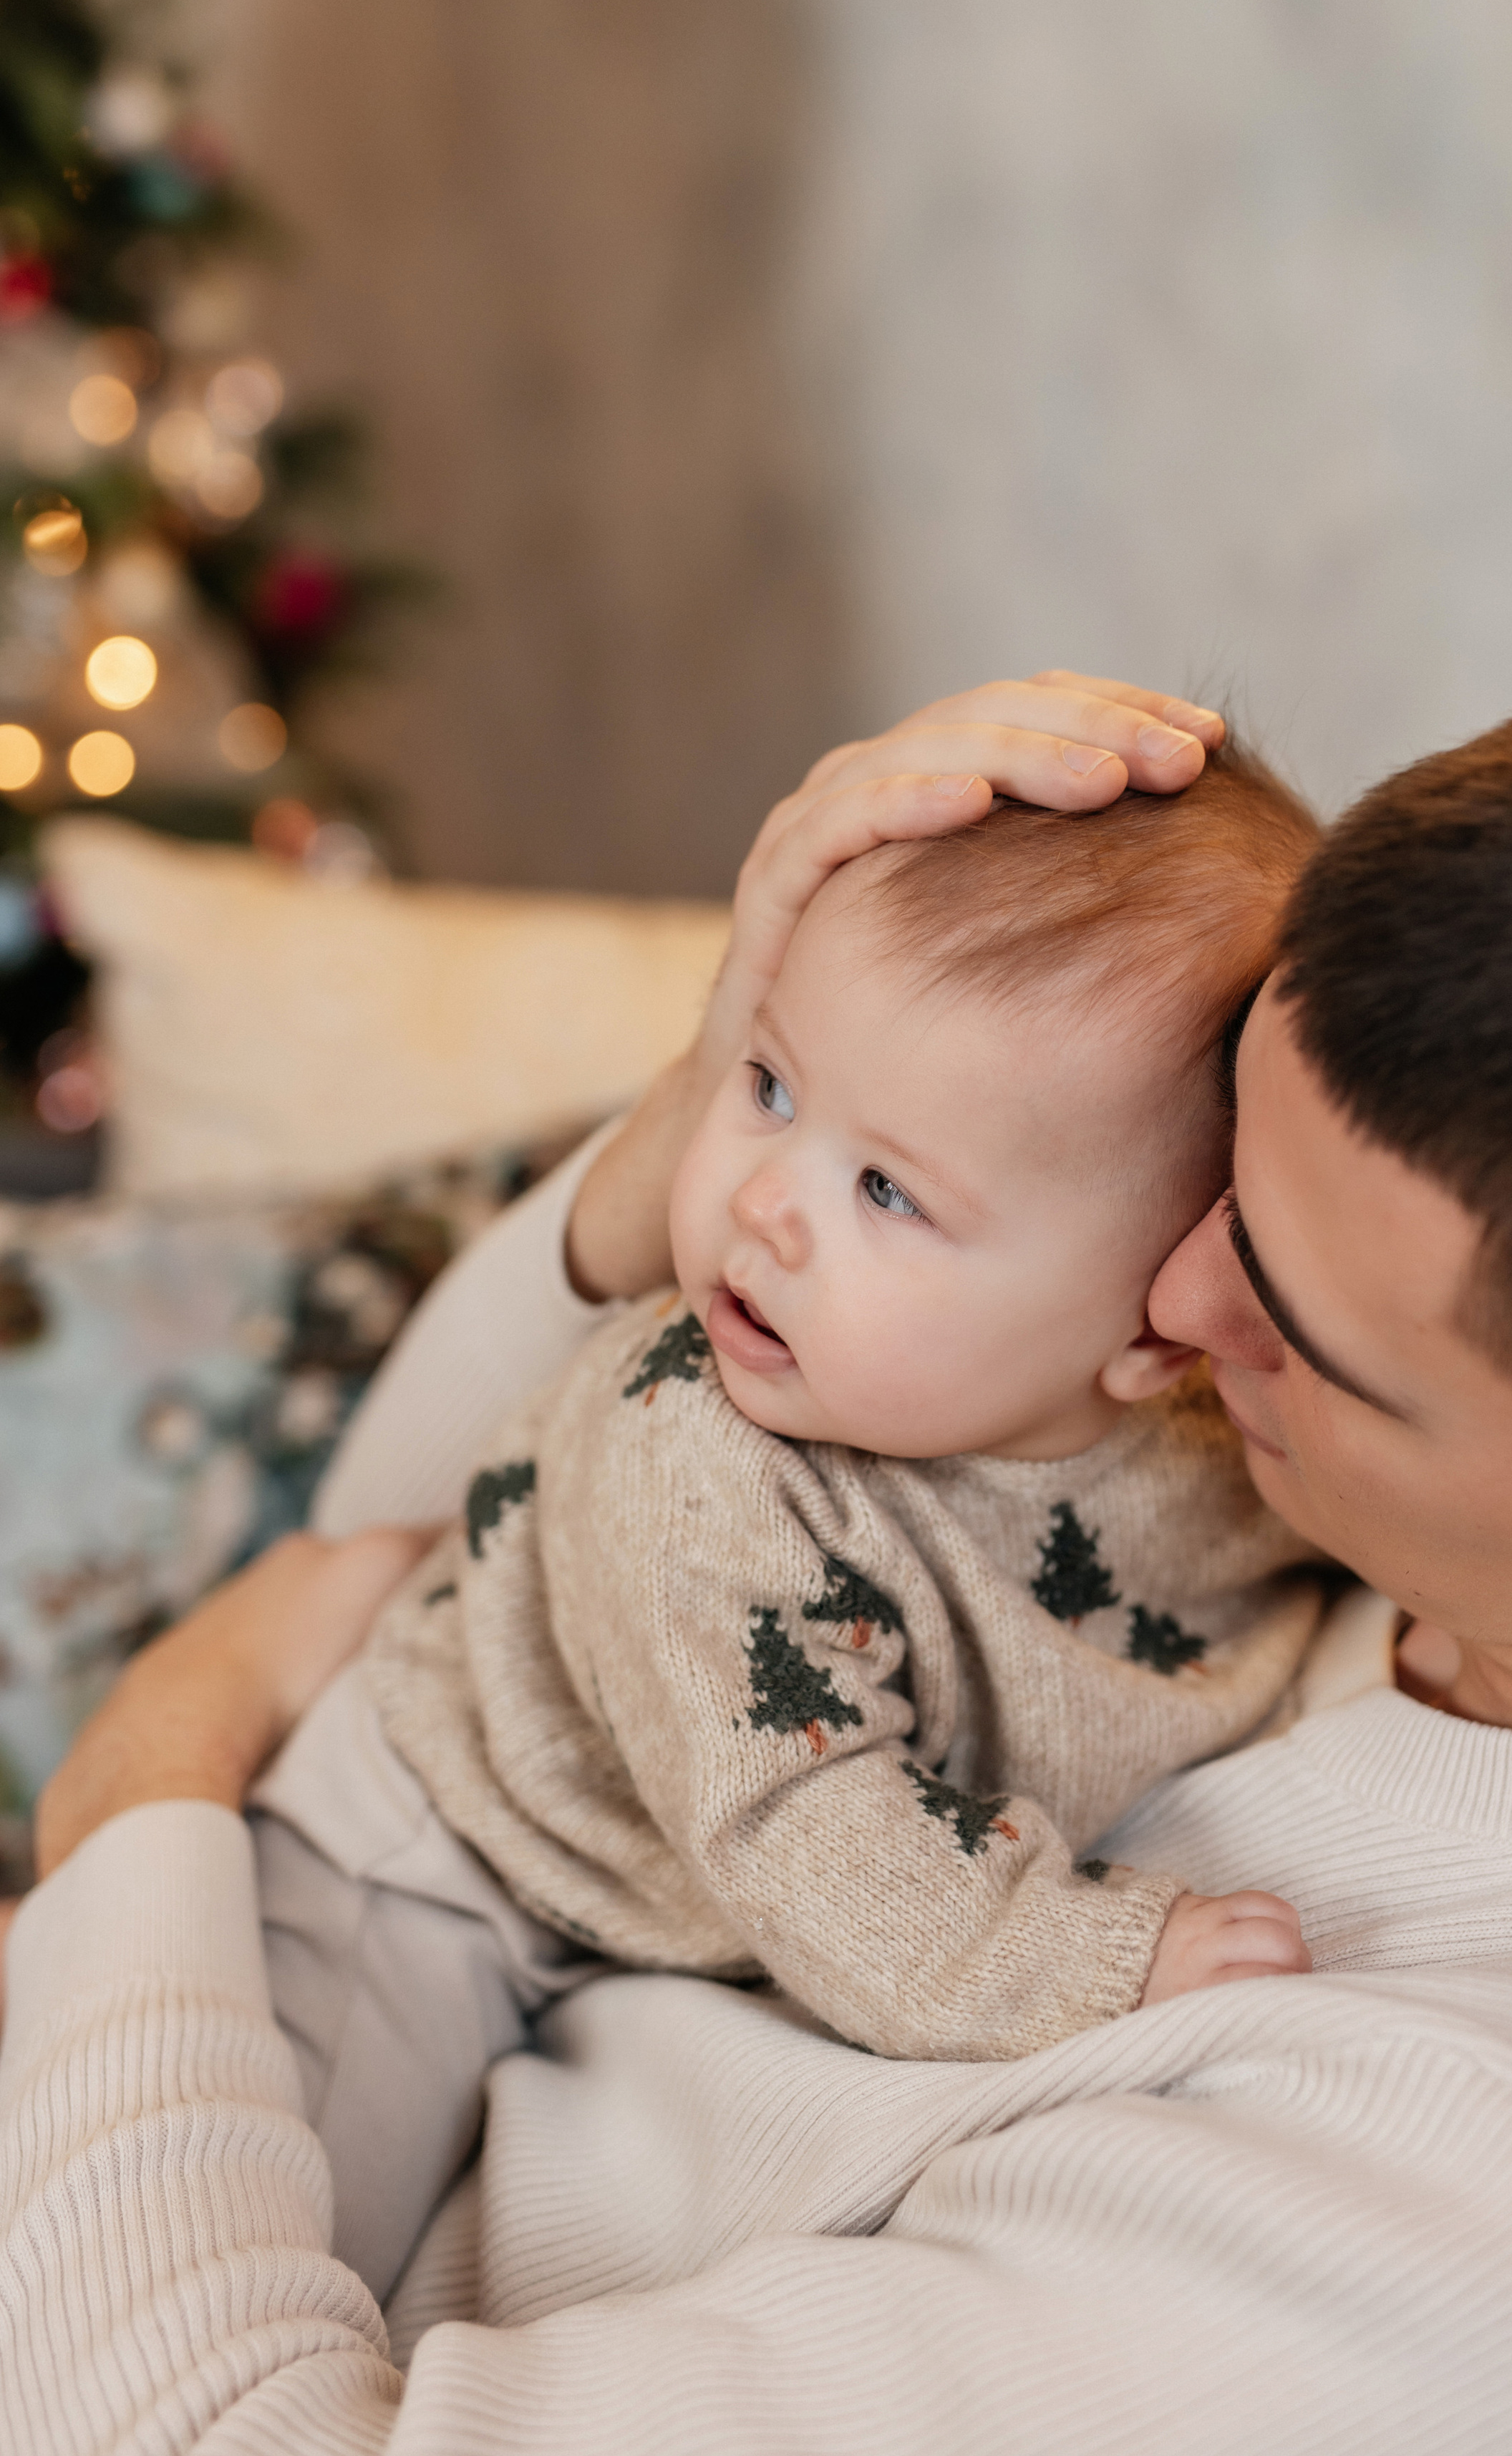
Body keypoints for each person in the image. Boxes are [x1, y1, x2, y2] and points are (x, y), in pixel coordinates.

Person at [5, 654, 1512, 2456]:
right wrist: (709, 1100)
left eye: (1288, 1312)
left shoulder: (1463, 2254)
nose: (1173, 1321)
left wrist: (147, 1790)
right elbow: (462, 1557)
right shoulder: (1505, 1536)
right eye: (1222, 1186)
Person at [253, 748, 1328, 2301]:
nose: (764, 1201)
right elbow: (806, 1834)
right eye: (766, 1087)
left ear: (1157, 1327)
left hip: (666, 1916)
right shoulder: (696, 1449)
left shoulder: (1212, 1442)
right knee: (276, 2223)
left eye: (889, 1191)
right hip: (433, 1852)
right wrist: (1108, 1959)